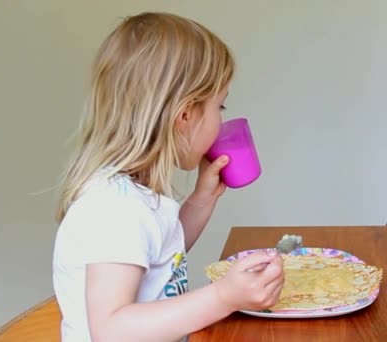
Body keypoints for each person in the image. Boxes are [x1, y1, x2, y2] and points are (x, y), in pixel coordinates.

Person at [52, 11, 284, 342]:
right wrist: (222, 297)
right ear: (185, 115)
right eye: (220, 107)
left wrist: (202, 200)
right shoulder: (115, 209)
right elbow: (111, 329)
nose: (220, 119)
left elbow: (162, 256)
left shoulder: (137, 196)